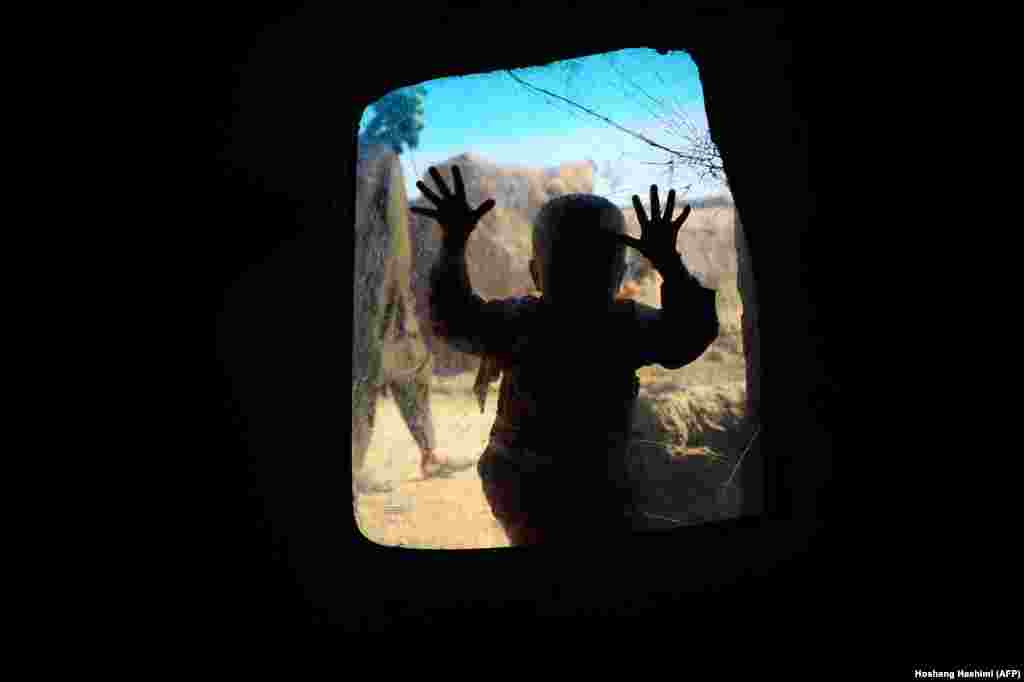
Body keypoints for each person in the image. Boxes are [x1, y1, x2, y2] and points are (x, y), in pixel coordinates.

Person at [412, 165, 719, 545]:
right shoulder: (625, 326)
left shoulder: (519, 320)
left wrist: (454, 241)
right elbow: (691, 336)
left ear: (535, 274)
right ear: (620, 275)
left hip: (520, 484)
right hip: (601, 483)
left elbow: (452, 318)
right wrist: (668, 263)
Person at [352, 147, 460, 509]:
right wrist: (383, 295)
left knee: (413, 369)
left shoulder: (386, 157)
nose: (415, 121)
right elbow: (381, 232)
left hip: (390, 297)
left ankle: (429, 454)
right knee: (363, 380)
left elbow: (397, 234)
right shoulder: (377, 157)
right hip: (373, 298)